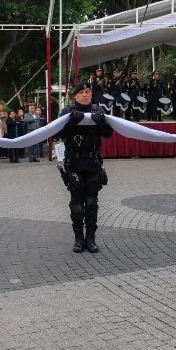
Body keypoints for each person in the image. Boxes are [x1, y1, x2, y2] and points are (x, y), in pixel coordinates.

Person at [57, 82, 113, 253]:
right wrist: (72, 122)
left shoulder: (98, 110)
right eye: (81, 92)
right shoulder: (67, 112)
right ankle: (78, 238)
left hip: (92, 162)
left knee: (91, 202)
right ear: (75, 96)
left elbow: (108, 133)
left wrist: (101, 122)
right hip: (73, 162)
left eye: (87, 92)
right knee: (77, 204)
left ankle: (91, 238)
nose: (84, 94)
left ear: (91, 94)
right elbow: (59, 134)